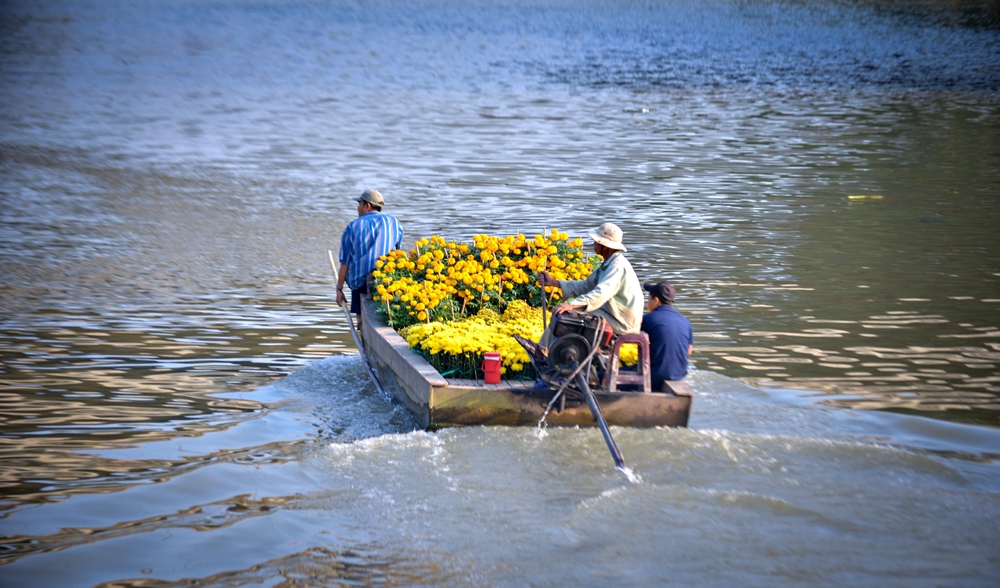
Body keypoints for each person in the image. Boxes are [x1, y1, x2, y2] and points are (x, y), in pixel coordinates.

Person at [536, 222, 644, 348]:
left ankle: (545, 350)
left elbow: (600, 293)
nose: (594, 244)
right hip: (611, 313)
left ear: (605, 247)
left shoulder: (617, 266)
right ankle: (544, 349)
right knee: (565, 315)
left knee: (567, 317)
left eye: (597, 242)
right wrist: (554, 282)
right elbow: (586, 286)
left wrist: (570, 305)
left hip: (622, 322)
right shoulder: (610, 263)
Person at [336, 189, 403, 328]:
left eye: (359, 204)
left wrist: (339, 290)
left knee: (357, 270)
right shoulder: (393, 222)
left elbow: (345, 263)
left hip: (361, 284)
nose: (358, 207)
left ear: (367, 205)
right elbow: (398, 252)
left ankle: (360, 317)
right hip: (386, 280)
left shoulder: (353, 226)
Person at [641, 281, 693, 383]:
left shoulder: (648, 319)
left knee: (608, 374)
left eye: (648, 299)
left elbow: (635, 346)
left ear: (656, 300)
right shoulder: (685, 321)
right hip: (680, 374)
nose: (647, 303)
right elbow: (688, 351)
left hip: (655, 375)